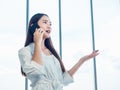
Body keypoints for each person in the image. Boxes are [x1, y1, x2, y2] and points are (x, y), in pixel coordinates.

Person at [18, 13, 99, 90]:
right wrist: (37, 43)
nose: (49, 26)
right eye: (45, 22)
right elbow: (35, 71)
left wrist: (82, 60)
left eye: (50, 24)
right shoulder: (24, 51)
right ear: (34, 26)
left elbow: (62, 79)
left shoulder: (53, 53)